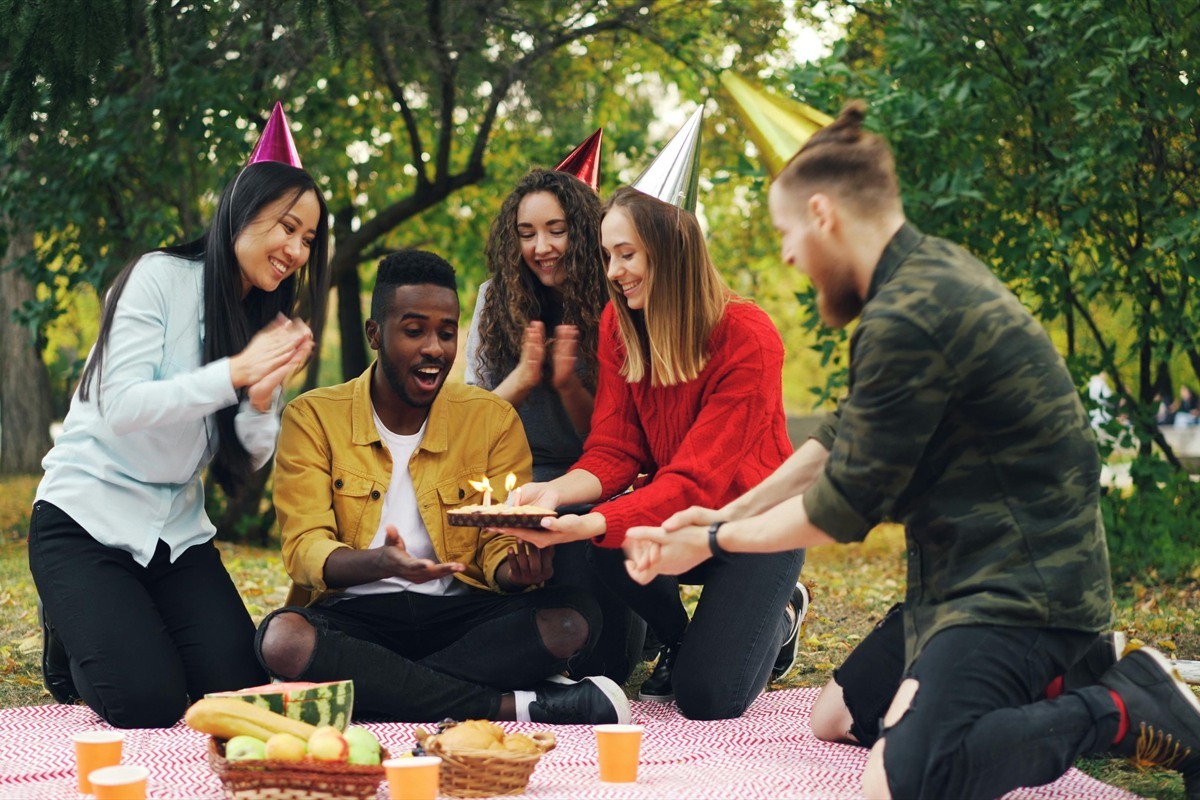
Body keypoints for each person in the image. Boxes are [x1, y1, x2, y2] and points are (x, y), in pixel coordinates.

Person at [624, 101, 1200, 799]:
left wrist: (714, 539)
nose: (786, 255)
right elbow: (837, 438)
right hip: (952, 584)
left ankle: (1117, 709)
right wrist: (722, 515)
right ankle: (1088, 666)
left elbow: (842, 508)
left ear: (823, 214)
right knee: (832, 716)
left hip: (1020, 593)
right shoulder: (920, 277)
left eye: (786, 233)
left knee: (897, 781)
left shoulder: (911, 314)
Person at [254, 250, 631, 725]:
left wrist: (517, 570)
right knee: (283, 639)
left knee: (571, 621)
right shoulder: (313, 417)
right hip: (357, 619)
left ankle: (378, 691)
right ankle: (509, 705)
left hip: (463, 620)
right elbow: (305, 549)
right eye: (414, 331)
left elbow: (496, 549)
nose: (434, 347)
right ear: (375, 334)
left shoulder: (491, 419)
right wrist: (378, 564)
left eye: (447, 332)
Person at [29, 157, 328, 728]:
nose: (295, 250)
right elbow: (122, 406)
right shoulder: (157, 276)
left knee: (239, 693)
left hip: (176, 532)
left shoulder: (261, 317)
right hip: (85, 519)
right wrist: (235, 371)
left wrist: (263, 397)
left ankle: (123, 626)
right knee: (148, 703)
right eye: (287, 227)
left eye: (308, 239)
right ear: (242, 211)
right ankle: (70, 636)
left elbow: (247, 457)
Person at [500, 184, 808, 721]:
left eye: (627, 254)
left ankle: (780, 616)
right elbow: (613, 451)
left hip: (753, 528)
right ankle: (678, 638)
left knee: (708, 699)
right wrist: (551, 495)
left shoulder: (748, 336)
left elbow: (696, 482)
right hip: (679, 522)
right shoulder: (619, 326)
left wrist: (590, 522)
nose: (613, 271)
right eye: (607, 255)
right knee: (598, 528)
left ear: (670, 249)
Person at [465, 165, 645, 683]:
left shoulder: (618, 299)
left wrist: (568, 386)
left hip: (593, 479)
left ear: (584, 232)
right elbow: (472, 425)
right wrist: (522, 380)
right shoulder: (493, 300)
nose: (541, 246)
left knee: (608, 665)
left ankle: (647, 628)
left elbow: (615, 443)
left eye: (556, 230)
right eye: (526, 234)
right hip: (515, 477)